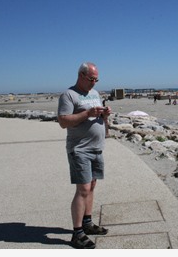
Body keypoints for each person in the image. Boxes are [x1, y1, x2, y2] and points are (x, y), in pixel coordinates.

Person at [57, 62, 111, 249]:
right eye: (91, 79)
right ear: (81, 75)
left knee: (92, 186)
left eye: (96, 79)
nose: (94, 83)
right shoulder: (68, 95)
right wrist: (87, 113)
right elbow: (63, 121)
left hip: (96, 147)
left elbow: (96, 116)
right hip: (79, 149)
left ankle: (87, 223)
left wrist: (104, 116)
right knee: (83, 189)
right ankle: (77, 233)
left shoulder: (95, 94)